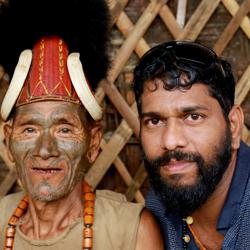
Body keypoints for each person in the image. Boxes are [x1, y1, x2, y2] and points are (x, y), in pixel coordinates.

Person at [0, 1, 163, 250]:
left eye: (64, 129)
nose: (45, 150)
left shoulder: (130, 232)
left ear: (93, 141)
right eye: (29, 129)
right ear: (8, 139)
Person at [133, 40, 250, 249]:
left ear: (233, 125)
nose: (170, 142)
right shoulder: (158, 208)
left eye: (193, 117)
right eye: (155, 121)